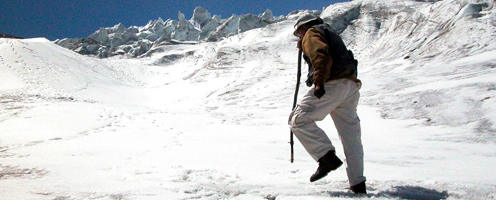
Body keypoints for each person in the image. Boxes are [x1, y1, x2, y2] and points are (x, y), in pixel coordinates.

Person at [288, 14, 366, 194]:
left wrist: (319, 81)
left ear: (303, 27)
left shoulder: (311, 33)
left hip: (331, 83)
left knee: (297, 119)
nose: (299, 36)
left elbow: (320, 54)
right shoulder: (329, 32)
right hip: (350, 85)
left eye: (299, 33)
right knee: (350, 137)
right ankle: (358, 183)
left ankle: (325, 157)